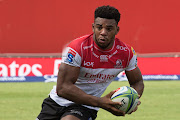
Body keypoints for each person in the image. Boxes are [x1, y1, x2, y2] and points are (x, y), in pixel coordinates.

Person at [36, 5, 144, 120]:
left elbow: (137, 81)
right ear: (93, 27)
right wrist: (101, 102)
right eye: (99, 27)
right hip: (56, 103)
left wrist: (132, 100)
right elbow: (63, 88)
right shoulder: (78, 48)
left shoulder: (126, 53)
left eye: (109, 29)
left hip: (86, 106)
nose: (103, 32)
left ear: (117, 30)